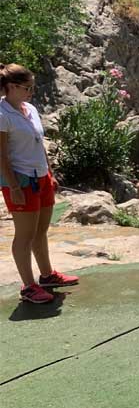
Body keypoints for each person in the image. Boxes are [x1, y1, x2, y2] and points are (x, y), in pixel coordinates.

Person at [0, 63, 78, 303]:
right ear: (11, 87)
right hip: (20, 179)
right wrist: (14, 187)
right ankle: (28, 286)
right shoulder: (2, 115)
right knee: (24, 235)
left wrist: (50, 172)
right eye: (27, 88)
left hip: (41, 176)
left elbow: (37, 142)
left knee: (41, 230)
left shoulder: (30, 108)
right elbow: (1, 155)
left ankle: (47, 275)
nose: (31, 93)